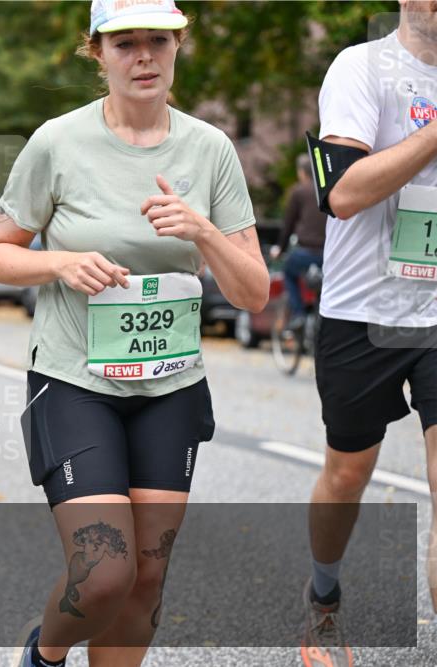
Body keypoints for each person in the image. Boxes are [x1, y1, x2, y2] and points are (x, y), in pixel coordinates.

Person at [0, 2, 269, 666]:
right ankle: (45, 656)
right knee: (105, 571)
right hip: (75, 381)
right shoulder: (57, 142)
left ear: (178, 46)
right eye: (125, 43)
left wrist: (202, 230)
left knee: (146, 579)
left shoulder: (210, 148)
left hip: (171, 386)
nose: (143, 56)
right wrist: (59, 263)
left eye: (158, 41)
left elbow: (254, 292)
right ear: (98, 52)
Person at [300, 2, 437, 665]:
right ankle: (323, 592)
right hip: (363, 313)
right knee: (348, 472)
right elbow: (345, 193)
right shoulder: (362, 68)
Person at [270, 154, 328, 329]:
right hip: (328, 253)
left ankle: (298, 314)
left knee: (289, 272)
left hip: (305, 252)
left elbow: (288, 224)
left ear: (301, 172)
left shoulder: (298, 191)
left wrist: (280, 249)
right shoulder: (327, 189)